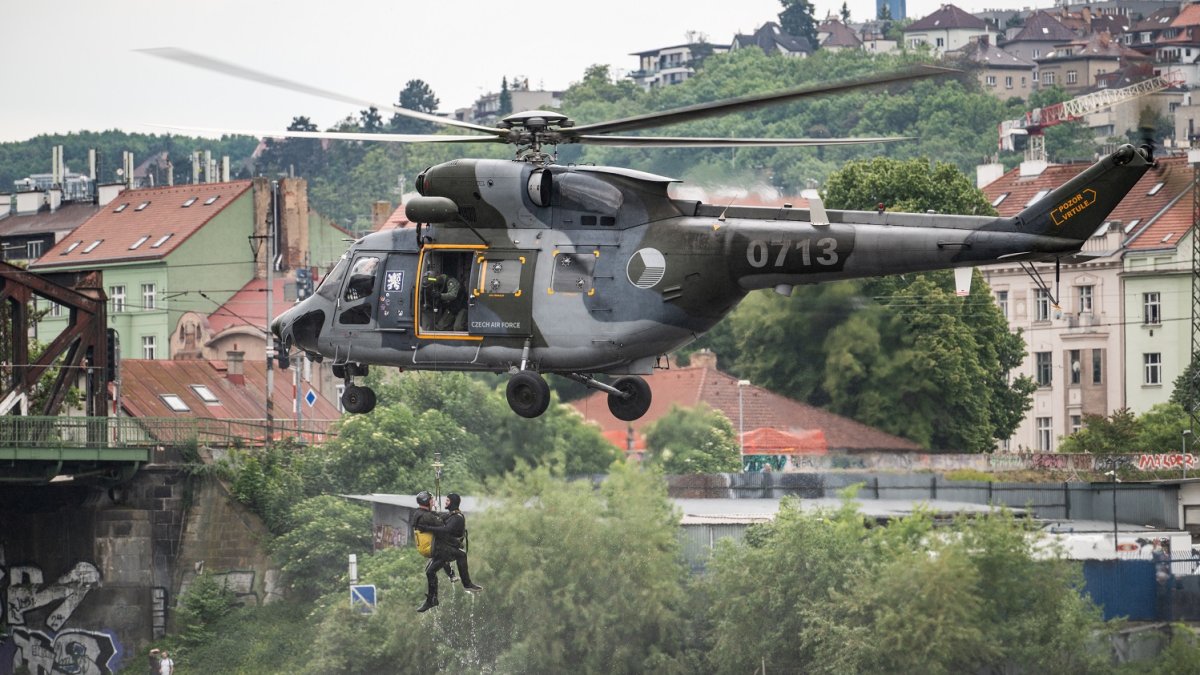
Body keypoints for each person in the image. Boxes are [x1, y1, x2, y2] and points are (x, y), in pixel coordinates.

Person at [423, 492, 483, 594]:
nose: (445, 502)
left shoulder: (457, 517)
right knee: (432, 569)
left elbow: (447, 529)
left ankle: (462, 581)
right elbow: (438, 517)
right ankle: (455, 578)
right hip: (444, 548)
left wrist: (430, 528)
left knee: (460, 555)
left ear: (453, 503)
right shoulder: (450, 515)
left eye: (447, 501)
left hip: (448, 548)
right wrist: (432, 508)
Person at [411, 490, 452, 612]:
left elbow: (437, 517)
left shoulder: (420, 513)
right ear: (426, 502)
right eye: (431, 501)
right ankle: (433, 598)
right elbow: (440, 522)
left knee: (430, 571)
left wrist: (445, 513)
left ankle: (433, 599)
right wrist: (450, 516)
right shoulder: (426, 516)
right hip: (435, 548)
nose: (433, 502)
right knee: (431, 570)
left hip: (432, 548)